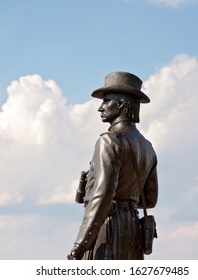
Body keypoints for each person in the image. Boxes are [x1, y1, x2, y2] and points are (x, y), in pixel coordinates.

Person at [67, 71, 158, 260]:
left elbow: (103, 196)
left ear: (122, 104)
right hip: (132, 233)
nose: (100, 108)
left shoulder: (108, 141)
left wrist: (80, 244)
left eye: (107, 101)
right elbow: (150, 199)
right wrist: (126, 199)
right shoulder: (148, 147)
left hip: (108, 231)